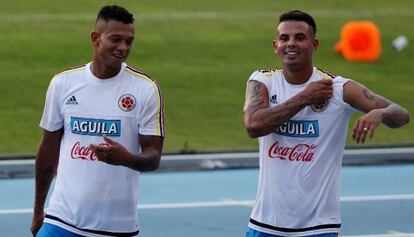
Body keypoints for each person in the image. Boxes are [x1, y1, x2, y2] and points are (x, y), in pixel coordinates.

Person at [243, 10, 409, 237]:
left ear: (314, 44)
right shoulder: (263, 81)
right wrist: (305, 97)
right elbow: (254, 125)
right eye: (284, 38)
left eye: (299, 38)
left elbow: (401, 114)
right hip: (265, 224)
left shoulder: (338, 89)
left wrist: (380, 114)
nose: (291, 44)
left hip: (319, 227)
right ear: (275, 45)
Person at [31, 5, 165, 237]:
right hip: (60, 220)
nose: (123, 48)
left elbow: (153, 157)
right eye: (116, 39)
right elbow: (48, 150)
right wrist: (38, 210)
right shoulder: (63, 84)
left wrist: (127, 159)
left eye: (129, 41)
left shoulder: (145, 89)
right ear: (95, 38)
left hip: (116, 228)